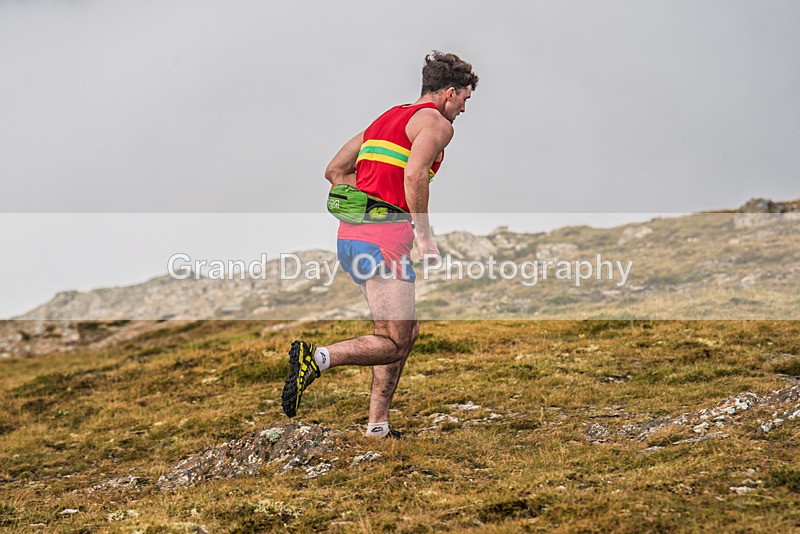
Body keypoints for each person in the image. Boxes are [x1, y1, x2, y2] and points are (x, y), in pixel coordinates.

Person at [281, 51, 478, 438]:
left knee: (404, 331)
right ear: (450, 92)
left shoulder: (385, 119)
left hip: (352, 236)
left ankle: (378, 427)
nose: (463, 109)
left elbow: (334, 171)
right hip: (385, 239)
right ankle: (316, 358)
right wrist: (424, 236)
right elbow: (415, 174)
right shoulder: (437, 124)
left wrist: (370, 197)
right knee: (393, 341)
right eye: (465, 99)